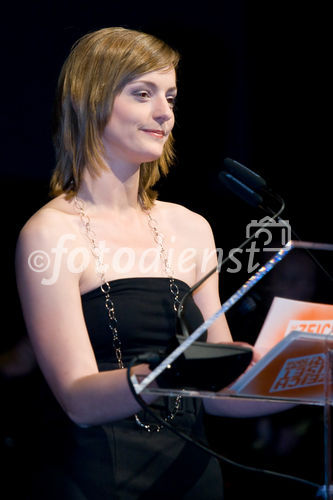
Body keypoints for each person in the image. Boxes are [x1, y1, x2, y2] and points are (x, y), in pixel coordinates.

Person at [15, 26, 284, 500]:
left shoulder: (191, 227)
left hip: (195, 481)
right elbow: (78, 400)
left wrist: (298, 378)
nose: (165, 113)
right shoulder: (50, 233)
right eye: (143, 94)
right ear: (92, 99)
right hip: (102, 480)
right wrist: (168, 372)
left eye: (172, 97)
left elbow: (219, 392)